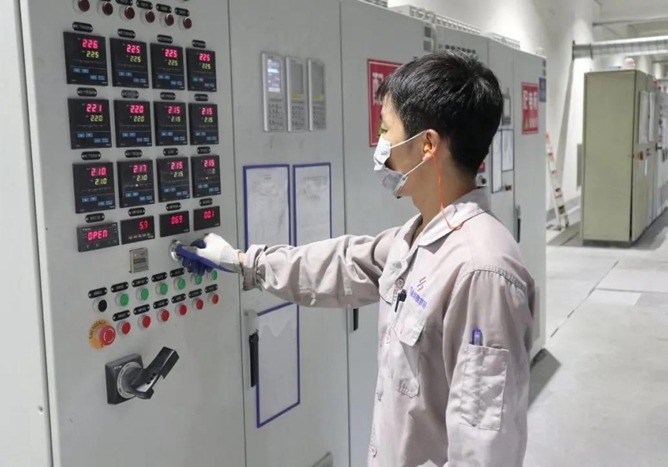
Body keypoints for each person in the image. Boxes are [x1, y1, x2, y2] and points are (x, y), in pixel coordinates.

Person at [176, 51, 535, 467]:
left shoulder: (482, 272)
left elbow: (484, 450)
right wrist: (241, 261)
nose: (380, 145)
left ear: (427, 145)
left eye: (385, 130)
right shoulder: (418, 237)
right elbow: (342, 263)